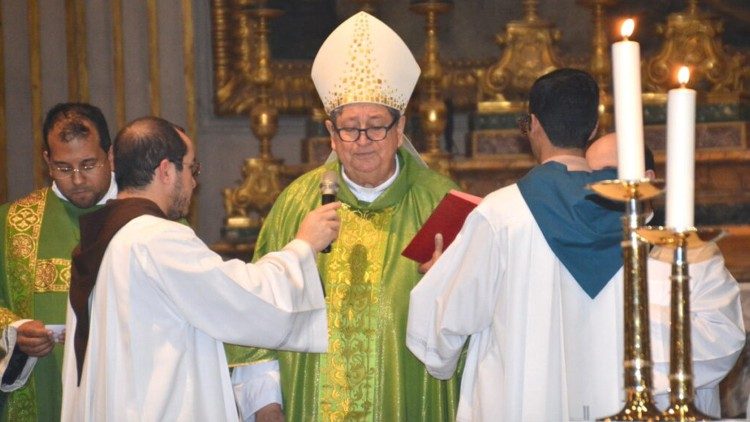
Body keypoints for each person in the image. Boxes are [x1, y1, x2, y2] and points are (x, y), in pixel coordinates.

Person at [226, 11, 461, 422]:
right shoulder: (297, 204)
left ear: (401, 126)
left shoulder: (441, 206)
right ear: (331, 132)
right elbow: (257, 317)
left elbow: (481, 322)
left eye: (376, 126)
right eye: (350, 128)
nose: (363, 141)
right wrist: (266, 410)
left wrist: (452, 287)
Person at [60, 116, 341, 421]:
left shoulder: (104, 237)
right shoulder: (155, 239)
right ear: (166, 171)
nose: (194, 181)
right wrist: (303, 246)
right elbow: (243, 301)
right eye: (192, 168)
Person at [586, 132, 745, 417]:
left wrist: (624, 327)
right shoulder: (583, 247)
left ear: (646, 179)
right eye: (594, 178)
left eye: (612, 174)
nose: (605, 187)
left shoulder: (693, 250)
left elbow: (724, 340)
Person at [0, 103, 117, 421]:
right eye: (64, 168)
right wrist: (14, 331)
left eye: (89, 164)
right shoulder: (13, 223)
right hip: (43, 393)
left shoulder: (148, 219)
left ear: (110, 155)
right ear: (47, 162)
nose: (78, 179)